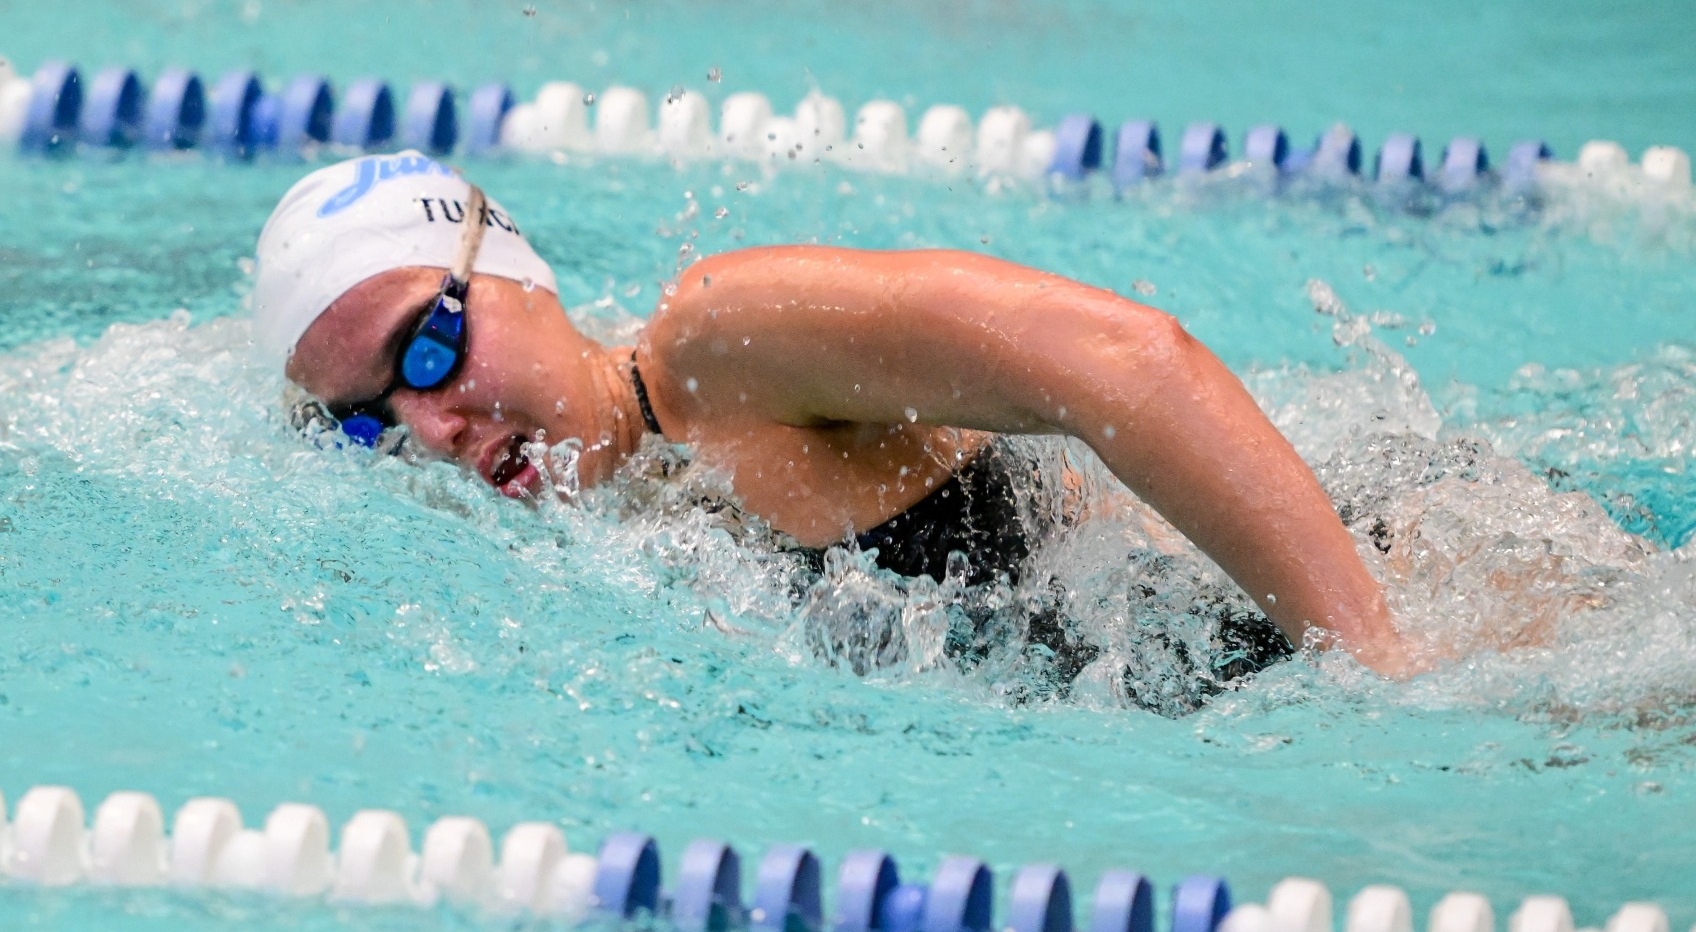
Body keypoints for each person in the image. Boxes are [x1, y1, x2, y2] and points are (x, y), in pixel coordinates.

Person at [257, 151, 1415, 679]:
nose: (430, 426)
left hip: (1404, 575)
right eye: (369, 418)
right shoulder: (627, 506)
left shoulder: (718, 344)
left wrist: (1384, 668)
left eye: (430, 342)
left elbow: (1132, 360)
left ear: (510, 262)